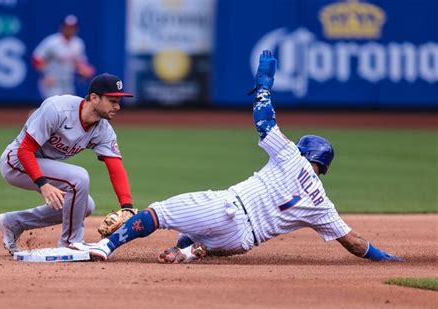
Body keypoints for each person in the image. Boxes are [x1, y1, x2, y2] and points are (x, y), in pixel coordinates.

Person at [71, 51, 403, 263]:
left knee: (157, 214)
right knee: (194, 232)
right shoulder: (322, 205)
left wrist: (264, 87)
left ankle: (106, 247)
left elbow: (264, 120)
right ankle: (189, 251)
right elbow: (354, 243)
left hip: (229, 208)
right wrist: (388, 258)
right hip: (241, 242)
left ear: (305, 152)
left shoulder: (291, 157)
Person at [0, 73, 134, 255]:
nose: (117, 106)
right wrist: (43, 185)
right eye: (112, 100)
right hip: (15, 162)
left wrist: (127, 208)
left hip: (41, 164)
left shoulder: (103, 130)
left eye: (118, 101)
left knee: (85, 206)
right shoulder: (58, 109)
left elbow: (115, 167)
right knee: (79, 178)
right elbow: (25, 150)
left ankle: (14, 222)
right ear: (94, 98)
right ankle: (71, 242)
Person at [32, 14, 95, 100]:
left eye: (72, 27)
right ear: (62, 27)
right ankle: (35, 113)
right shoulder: (52, 42)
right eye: (67, 27)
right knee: (54, 106)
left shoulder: (78, 43)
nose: (70, 29)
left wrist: (84, 71)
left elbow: (79, 63)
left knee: (68, 108)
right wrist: (45, 75)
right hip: (52, 81)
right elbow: (37, 58)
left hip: (67, 82)